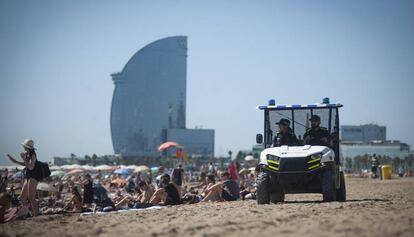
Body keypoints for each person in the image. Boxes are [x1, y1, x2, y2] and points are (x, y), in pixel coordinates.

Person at [7, 139, 41, 216]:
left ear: (26, 147)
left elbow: (31, 167)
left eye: (24, 146)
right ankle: (27, 213)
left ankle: (36, 215)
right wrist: (15, 161)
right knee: (22, 197)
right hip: (28, 176)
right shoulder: (28, 154)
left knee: (31, 198)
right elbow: (26, 164)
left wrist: (23, 158)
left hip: (33, 177)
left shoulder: (32, 155)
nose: (23, 147)